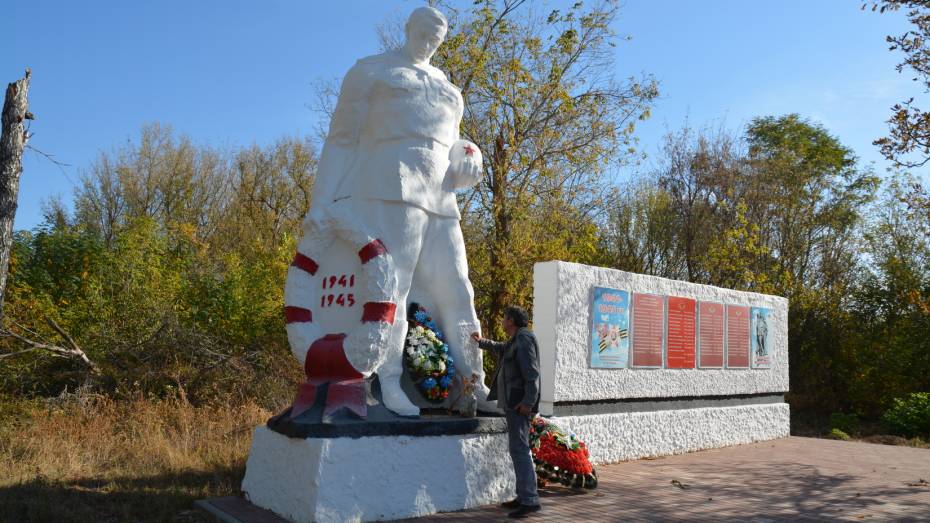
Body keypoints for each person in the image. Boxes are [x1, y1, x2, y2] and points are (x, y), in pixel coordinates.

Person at [308, 6, 493, 416]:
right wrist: (322, 202)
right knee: (393, 287)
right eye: (424, 30)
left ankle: (470, 382)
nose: (430, 40)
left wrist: (471, 154)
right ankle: (387, 379)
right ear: (408, 27)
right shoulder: (371, 70)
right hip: (391, 185)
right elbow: (340, 139)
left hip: (442, 196)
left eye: (438, 36)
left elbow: (454, 143)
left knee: (458, 289)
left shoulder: (448, 87)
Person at [471, 306, 542, 519]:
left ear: (511, 320)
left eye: (504, 317)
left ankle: (529, 500)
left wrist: (528, 403)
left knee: (520, 450)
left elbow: (532, 375)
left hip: (520, 405)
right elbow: (503, 349)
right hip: (515, 404)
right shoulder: (516, 339)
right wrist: (482, 342)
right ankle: (524, 496)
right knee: (518, 450)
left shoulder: (524, 340)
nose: (502, 320)